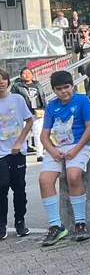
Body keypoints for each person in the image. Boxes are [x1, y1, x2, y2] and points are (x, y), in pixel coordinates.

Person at [38, 70, 90, 246]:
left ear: (72, 86)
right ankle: (56, 225)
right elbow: (44, 135)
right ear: (54, 90)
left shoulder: (82, 100)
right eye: (59, 89)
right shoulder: (51, 106)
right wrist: (52, 151)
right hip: (56, 148)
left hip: (78, 145)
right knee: (44, 180)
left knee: (73, 175)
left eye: (67, 87)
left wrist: (76, 149)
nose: (64, 91)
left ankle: (80, 223)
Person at [0, 68, 33, 239]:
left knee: (19, 188)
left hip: (17, 151)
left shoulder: (17, 99)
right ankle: (1, 224)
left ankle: (20, 221)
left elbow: (29, 121)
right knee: (2, 186)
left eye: (3, 79)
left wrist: (19, 142)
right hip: (1, 153)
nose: (1, 82)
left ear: (7, 81)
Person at [12, 67, 45, 159]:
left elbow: (42, 96)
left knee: (38, 133)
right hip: (23, 114)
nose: (27, 75)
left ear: (32, 75)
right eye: (24, 73)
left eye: (29, 73)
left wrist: (43, 107)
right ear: (20, 75)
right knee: (22, 133)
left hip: (37, 112)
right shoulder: (17, 86)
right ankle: (21, 152)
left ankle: (39, 154)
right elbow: (13, 100)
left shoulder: (37, 84)